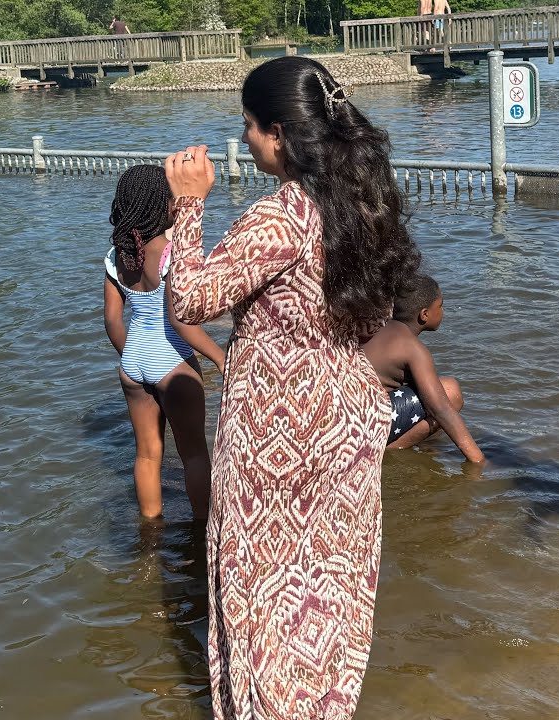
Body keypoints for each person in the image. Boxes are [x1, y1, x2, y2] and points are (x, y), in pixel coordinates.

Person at [165, 56, 422, 718]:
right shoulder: (366, 200)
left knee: (264, 590)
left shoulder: (283, 215)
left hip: (278, 430)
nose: (245, 140)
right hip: (346, 417)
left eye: (249, 126)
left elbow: (190, 300)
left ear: (279, 133)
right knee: (329, 587)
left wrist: (190, 205)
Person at [103, 165, 224, 520]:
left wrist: (135, 357)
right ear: (164, 205)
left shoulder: (116, 256)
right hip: (171, 361)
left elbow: (112, 321)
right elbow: (181, 321)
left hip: (133, 362)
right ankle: (203, 529)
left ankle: (150, 530)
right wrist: (222, 358)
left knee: (146, 454)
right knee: (194, 455)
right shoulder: (173, 254)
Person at [363, 273, 485, 460]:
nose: (443, 311)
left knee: (432, 389)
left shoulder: (377, 327)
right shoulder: (413, 348)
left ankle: (426, 446)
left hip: (351, 413)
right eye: (441, 306)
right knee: (450, 391)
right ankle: (390, 450)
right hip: (368, 425)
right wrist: (478, 459)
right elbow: (442, 409)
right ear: (424, 314)